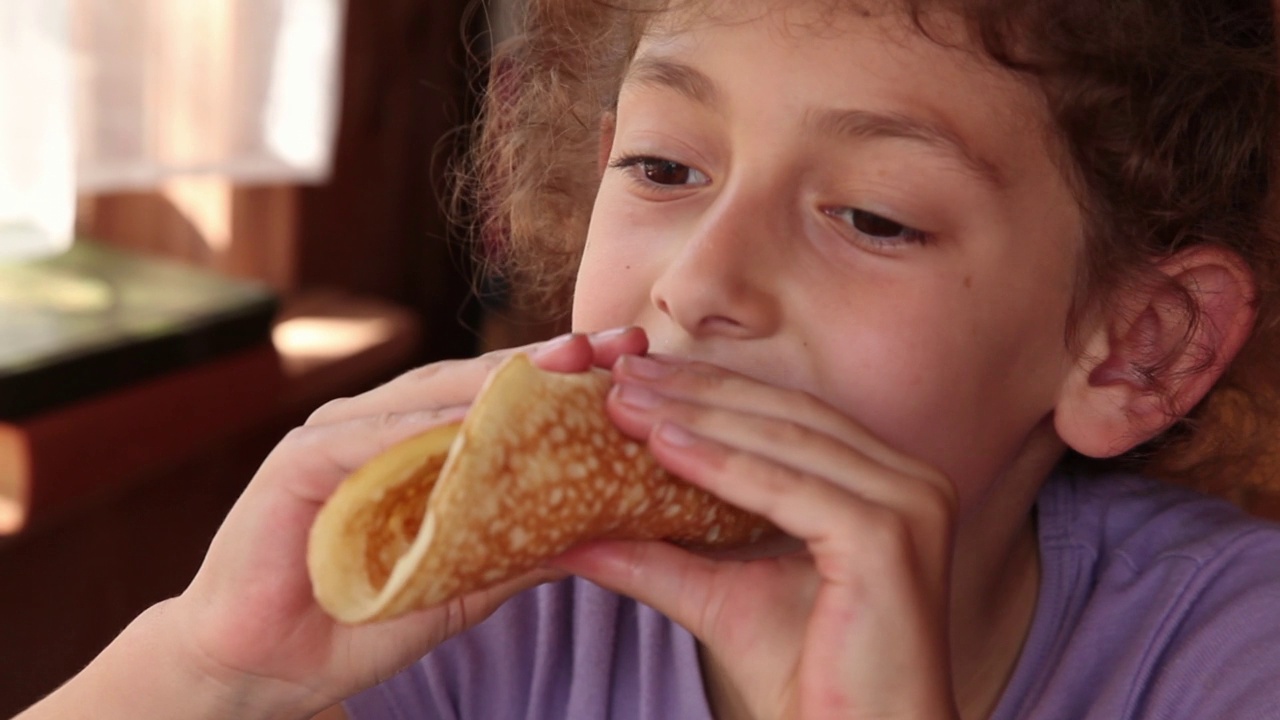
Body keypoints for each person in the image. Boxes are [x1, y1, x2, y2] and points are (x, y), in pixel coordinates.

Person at [18, 0, 1280, 717]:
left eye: (873, 216)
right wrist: (209, 666)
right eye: (666, 169)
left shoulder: (1234, 654)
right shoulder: (492, 622)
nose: (698, 283)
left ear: (1135, 350)